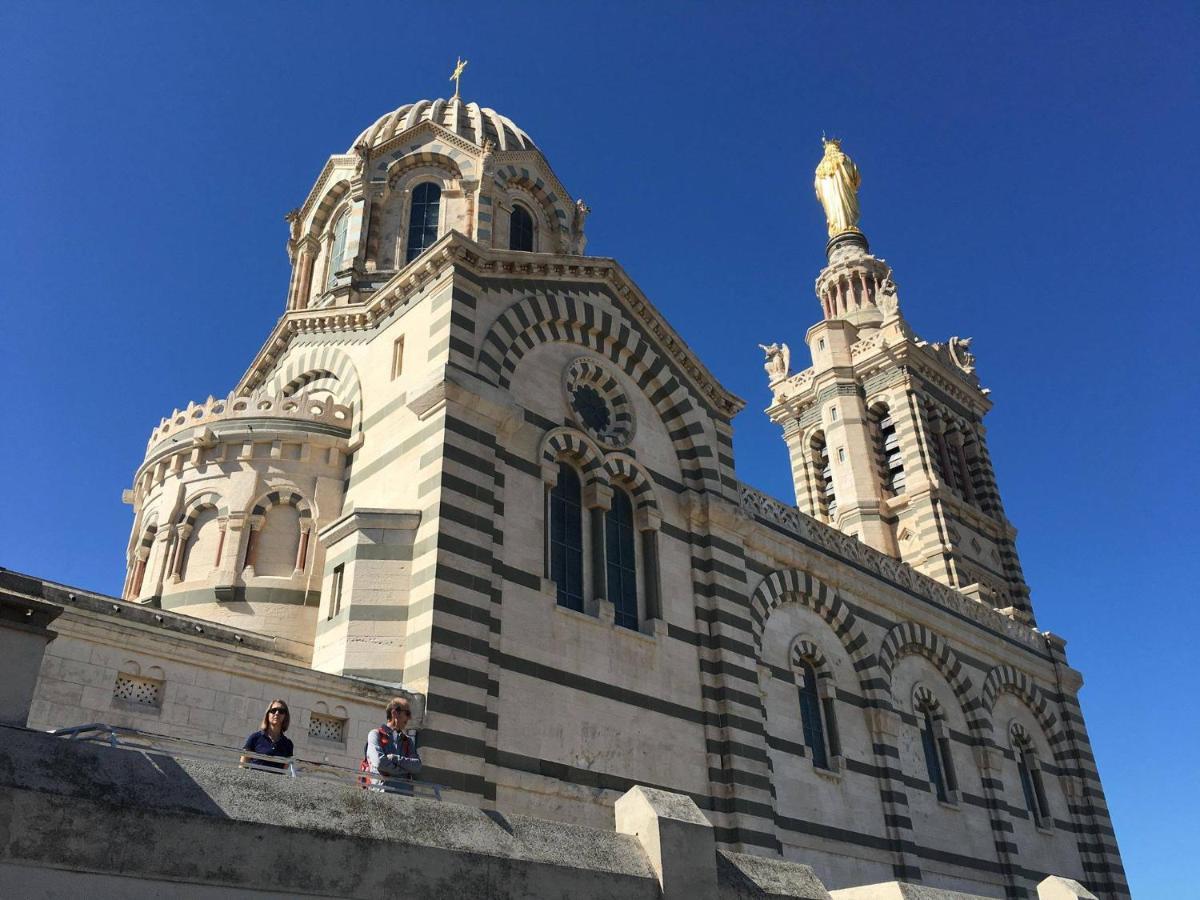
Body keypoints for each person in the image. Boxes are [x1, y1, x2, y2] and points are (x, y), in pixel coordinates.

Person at [363, 696, 421, 791]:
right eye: (407, 713)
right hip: (381, 795)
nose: (409, 718)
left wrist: (394, 758)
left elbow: (417, 766)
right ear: (394, 713)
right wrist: (404, 772)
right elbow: (380, 763)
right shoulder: (375, 734)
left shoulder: (408, 740)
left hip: (404, 797)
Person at [241, 699, 295, 770]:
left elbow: (284, 772)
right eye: (273, 710)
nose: (277, 713)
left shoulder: (288, 744)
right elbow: (242, 765)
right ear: (268, 714)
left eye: (281, 711)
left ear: (285, 716)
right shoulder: (255, 737)